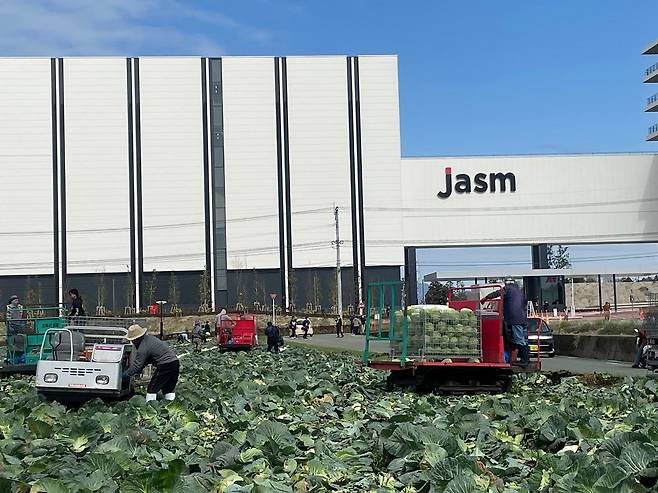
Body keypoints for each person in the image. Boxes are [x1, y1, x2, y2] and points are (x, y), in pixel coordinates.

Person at [123, 324, 179, 402]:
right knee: (169, 387)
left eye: (132, 340)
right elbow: (147, 360)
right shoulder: (150, 339)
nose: (132, 342)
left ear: (136, 339)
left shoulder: (143, 347)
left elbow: (137, 365)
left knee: (152, 387)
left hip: (165, 364)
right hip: (175, 362)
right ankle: (170, 404)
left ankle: (150, 405)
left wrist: (126, 374)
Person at [482, 278, 529, 368]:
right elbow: (524, 303)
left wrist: (486, 297)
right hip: (522, 318)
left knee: (519, 339)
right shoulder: (519, 291)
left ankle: (524, 361)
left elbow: (497, 293)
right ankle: (526, 359)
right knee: (522, 339)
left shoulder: (508, 289)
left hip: (514, 319)